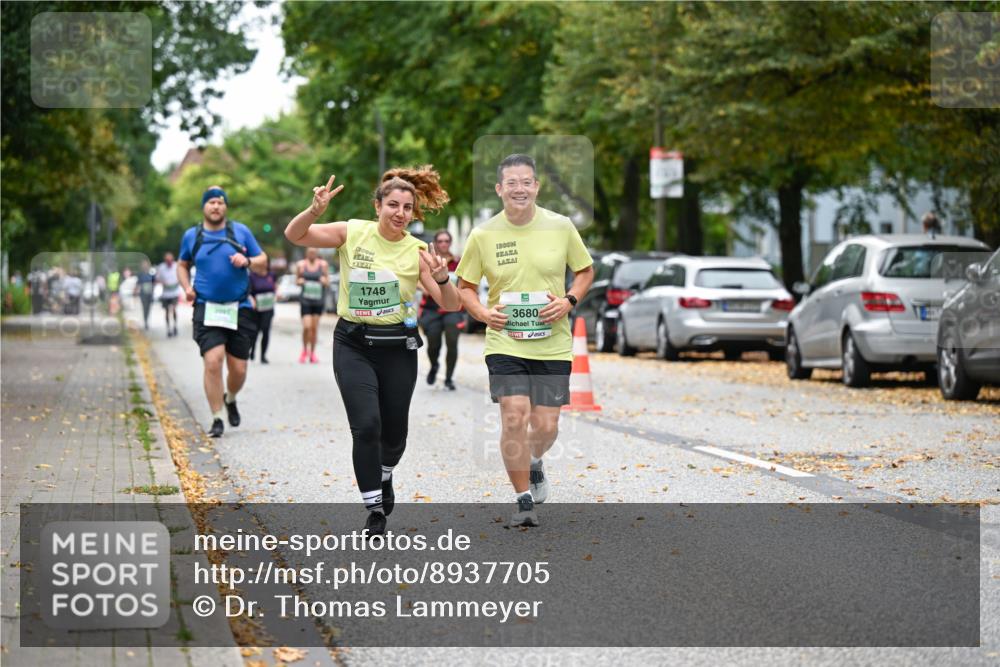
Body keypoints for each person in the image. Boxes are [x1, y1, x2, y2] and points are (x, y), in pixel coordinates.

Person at [284, 167, 458, 536]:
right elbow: (295, 235)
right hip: (353, 344)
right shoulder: (352, 231)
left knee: (394, 436)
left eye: (407, 207)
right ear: (377, 205)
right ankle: (374, 509)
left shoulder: (417, 251)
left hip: (397, 348)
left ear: (413, 213)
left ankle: (385, 473)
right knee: (366, 426)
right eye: (392, 204)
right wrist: (315, 209)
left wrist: (443, 278)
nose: (400, 212)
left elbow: (451, 304)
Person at [456, 154, 594, 528]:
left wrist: (568, 301)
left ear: (536, 186)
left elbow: (585, 271)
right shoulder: (483, 235)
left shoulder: (561, 226)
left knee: (546, 426)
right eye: (511, 183)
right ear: (500, 189)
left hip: (552, 342)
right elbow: (464, 286)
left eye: (526, 182)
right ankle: (522, 501)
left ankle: (534, 461)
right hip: (505, 341)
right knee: (514, 415)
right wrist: (483, 314)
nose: (520, 189)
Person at [176, 186, 267, 438]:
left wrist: (246, 261)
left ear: (225, 207)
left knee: (238, 370)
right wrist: (187, 287)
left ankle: (231, 397)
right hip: (207, 307)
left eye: (220, 202)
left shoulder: (241, 232)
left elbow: (263, 262)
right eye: (211, 202)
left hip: (240, 307)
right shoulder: (192, 236)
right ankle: (216, 417)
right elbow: (182, 264)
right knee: (213, 361)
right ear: (204, 206)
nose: (216, 206)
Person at [419, 229, 462, 390]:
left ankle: (449, 378)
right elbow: (418, 277)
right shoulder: (429, 260)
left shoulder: (457, 262)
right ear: (436, 243)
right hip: (431, 309)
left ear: (450, 243)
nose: (444, 244)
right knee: (433, 343)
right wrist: (423, 287)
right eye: (440, 241)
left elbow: (465, 284)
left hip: (452, 310)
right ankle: (434, 365)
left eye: (446, 241)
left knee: (452, 342)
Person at [295, 248, 330, 363]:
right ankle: (305, 350)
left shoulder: (323, 265)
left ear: (317, 253)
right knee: (306, 327)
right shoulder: (301, 264)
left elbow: (327, 282)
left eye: (314, 252)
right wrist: (300, 281)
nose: (312, 254)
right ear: (306, 253)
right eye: (310, 252)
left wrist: (323, 280)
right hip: (305, 300)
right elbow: (297, 280)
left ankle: (313, 353)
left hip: (318, 301)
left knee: (314, 329)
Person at [249, 258, 277, 364]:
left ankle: (263, 355)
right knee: (255, 331)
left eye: (265, 263)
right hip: (256, 307)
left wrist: (276, 294)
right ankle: (252, 351)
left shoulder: (271, 275)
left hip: (268, 307)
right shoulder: (252, 276)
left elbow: (274, 288)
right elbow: (249, 291)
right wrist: (252, 300)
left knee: (266, 330)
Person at [156, 253, 182, 337]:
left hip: (174, 292)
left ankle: (175, 326)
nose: (169, 262)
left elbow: (181, 276)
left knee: (174, 309)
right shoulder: (161, 267)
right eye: (167, 261)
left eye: (170, 260)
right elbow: (157, 279)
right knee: (167, 311)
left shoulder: (176, 266)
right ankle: (168, 328)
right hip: (166, 293)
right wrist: (164, 283)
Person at [134, 260, 155, 330]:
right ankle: (145, 321)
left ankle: (147, 320)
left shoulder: (151, 274)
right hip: (143, 294)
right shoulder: (140, 275)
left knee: (148, 308)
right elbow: (138, 284)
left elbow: (154, 283)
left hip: (150, 293)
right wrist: (136, 292)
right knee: (144, 308)